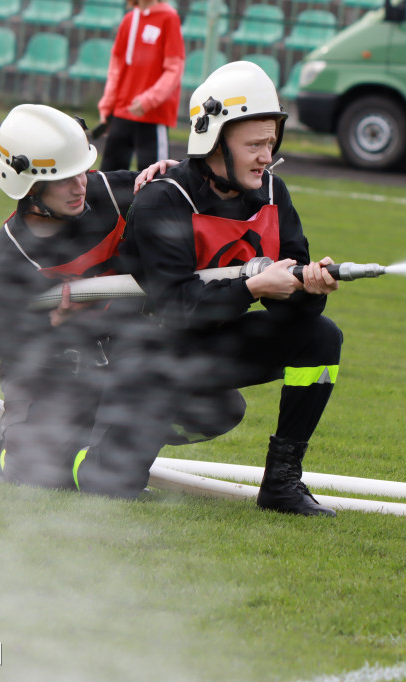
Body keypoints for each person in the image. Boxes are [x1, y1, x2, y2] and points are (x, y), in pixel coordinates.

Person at [81, 61, 344, 516]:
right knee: (108, 486)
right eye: (255, 145)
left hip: (206, 348)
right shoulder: (163, 199)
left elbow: (293, 315)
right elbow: (176, 308)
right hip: (145, 357)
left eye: (271, 143)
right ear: (214, 141)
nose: (267, 156)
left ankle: (282, 482)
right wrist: (254, 288)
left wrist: (309, 289)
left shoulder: (273, 194)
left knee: (322, 339)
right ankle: (93, 430)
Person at [0, 104, 243, 492]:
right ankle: (24, 447)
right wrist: (52, 322)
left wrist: (173, 182)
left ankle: (104, 446)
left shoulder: (113, 193)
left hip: (124, 353)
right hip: (50, 369)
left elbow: (187, 196)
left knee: (219, 409)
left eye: (82, 170)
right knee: (32, 471)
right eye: (63, 179)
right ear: (28, 186)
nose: (80, 185)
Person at [97, 0, 184, 172]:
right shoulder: (128, 19)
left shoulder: (169, 17)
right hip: (122, 111)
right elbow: (116, 68)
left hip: (152, 115)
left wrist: (150, 99)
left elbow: (174, 68)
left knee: (155, 178)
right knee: (108, 176)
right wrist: (108, 105)